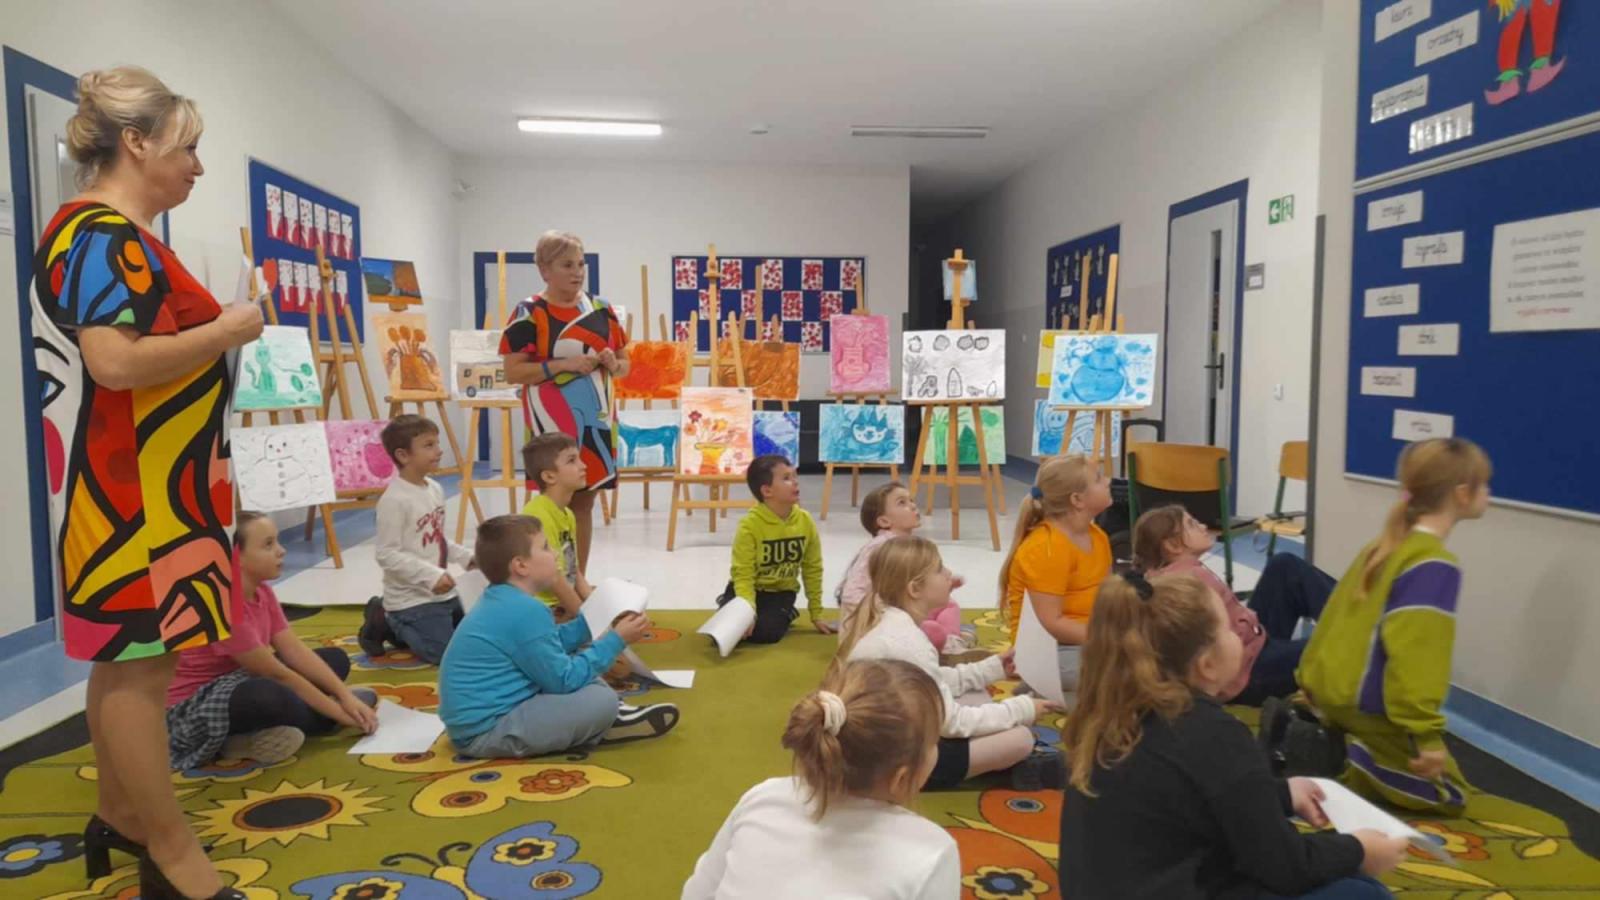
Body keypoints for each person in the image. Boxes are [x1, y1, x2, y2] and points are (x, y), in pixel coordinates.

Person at [30, 66, 262, 900]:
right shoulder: (102, 235)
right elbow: (116, 364)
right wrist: (229, 329)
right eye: (186, 148)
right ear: (135, 143)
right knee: (140, 669)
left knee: (126, 662)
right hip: (136, 494)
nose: (197, 166)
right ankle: (171, 852)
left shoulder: (104, 232)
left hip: (147, 487)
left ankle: (124, 815)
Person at [1058, 573, 1407, 899]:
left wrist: (1283, 793)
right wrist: (1359, 848)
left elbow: (1193, 793)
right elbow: (1287, 867)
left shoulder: (1114, 713)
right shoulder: (1213, 734)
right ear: (1207, 664)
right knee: (1361, 892)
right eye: (1227, 628)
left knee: (1348, 879)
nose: (1239, 633)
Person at [1292, 438, 1492, 815]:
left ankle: (1333, 740)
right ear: (1462, 494)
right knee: (1452, 796)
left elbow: (1333, 617)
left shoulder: (1382, 546)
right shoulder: (1435, 564)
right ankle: (1353, 762)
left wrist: (1308, 681)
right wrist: (1426, 735)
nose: (1489, 493)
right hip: (1368, 709)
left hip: (1328, 694)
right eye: (1484, 485)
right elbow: (1416, 658)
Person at [682, 659, 960, 899]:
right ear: (901, 778)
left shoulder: (762, 798)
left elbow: (697, 894)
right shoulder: (931, 852)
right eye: (934, 741)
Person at [438, 515, 679, 758]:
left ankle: (597, 722)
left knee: (586, 675)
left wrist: (594, 620)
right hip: (488, 732)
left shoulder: (504, 600)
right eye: (545, 547)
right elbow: (564, 680)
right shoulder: (525, 611)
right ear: (521, 565)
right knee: (601, 698)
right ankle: (602, 723)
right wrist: (616, 640)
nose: (554, 553)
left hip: (485, 721)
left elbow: (549, 643)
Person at [840, 536, 1060, 790]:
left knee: (977, 697)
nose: (949, 574)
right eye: (939, 568)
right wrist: (1023, 709)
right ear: (914, 589)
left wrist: (991, 668)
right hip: (897, 765)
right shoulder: (907, 641)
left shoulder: (894, 624)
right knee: (1020, 738)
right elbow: (952, 723)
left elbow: (932, 681)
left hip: (891, 744)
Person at [165, 513, 378, 772]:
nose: (281, 550)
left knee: (335, 659)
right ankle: (235, 742)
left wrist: (343, 695)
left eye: (276, 541)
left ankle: (273, 728)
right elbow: (277, 674)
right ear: (235, 557)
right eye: (268, 545)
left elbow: (293, 650)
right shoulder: (224, 604)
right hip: (194, 706)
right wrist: (340, 713)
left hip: (240, 677)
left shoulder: (261, 589)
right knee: (268, 695)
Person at [500, 231, 629, 573]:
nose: (577, 272)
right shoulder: (529, 312)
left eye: (581, 264)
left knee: (584, 504)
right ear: (544, 270)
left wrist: (613, 364)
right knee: (552, 504)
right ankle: (548, 579)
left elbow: (625, 364)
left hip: (597, 422)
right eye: (567, 265)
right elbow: (513, 371)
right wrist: (563, 365)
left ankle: (576, 579)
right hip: (551, 422)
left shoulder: (601, 309)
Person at [1134, 505, 1334, 705]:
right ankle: (1351, 626)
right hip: (1245, 673)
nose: (1203, 526)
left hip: (1250, 643)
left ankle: (1348, 618)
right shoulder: (1188, 584)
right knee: (1329, 650)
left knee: (1284, 566)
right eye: (1192, 524)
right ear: (1172, 545)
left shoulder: (1168, 575)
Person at [359, 415, 475, 665]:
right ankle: (385, 618)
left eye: (437, 443)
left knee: (474, 637)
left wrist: (467, 558)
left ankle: (399, 620)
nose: (439, 450)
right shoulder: (394, 500)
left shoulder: (434, 489)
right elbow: (387, 554)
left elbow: (435, 538)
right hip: (411, 599)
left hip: (442, 594)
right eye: (429, 445)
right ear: (403, 455)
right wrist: (430, 576)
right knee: (446, 655)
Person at [997, 455, 1113, 698]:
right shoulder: (1046, 548)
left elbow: (1108, 599)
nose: (1108, 481)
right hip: (1052, 650)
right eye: (1098, 479)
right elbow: (1052, 623)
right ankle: (1039, 686)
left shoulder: (1098, 536)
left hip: (1087, 641)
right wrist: (1109, 639)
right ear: (1077, 500)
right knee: (1122, 670)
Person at [835, 482, 971, 653]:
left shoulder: (907, 545)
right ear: (884, 521)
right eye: (902, 503)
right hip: (873, 627)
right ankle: (946, 645)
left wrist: (944, 584)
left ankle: (950, 640)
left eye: (911, 500)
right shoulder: (880, 547)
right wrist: (883, 616)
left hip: (897, 612)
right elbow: (852, 594)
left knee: (948, 605)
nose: (912, 505)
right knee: (931, 625)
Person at [713, 455, 833, 643]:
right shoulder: (749, 525)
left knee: (767, 634)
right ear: (767, 491)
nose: (795, 482)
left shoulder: (805, 521)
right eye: (786, 478)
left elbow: (813, 568)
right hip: (747, 589)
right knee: (724, 636)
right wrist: (747, 611)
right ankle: (729, 603)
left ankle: (787, 613)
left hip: (780, 593)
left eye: (795, 476)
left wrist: (816, 613)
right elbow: (743, 572)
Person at [521, 433, 590, 621]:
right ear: (549, 476)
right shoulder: (538, 514)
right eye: (572, 461)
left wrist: (595, 605)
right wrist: (587, 619)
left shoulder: (568, 514)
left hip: (562, 603)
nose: (583, 466)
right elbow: (555, 579)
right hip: (543, 609)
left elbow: (574, 571)